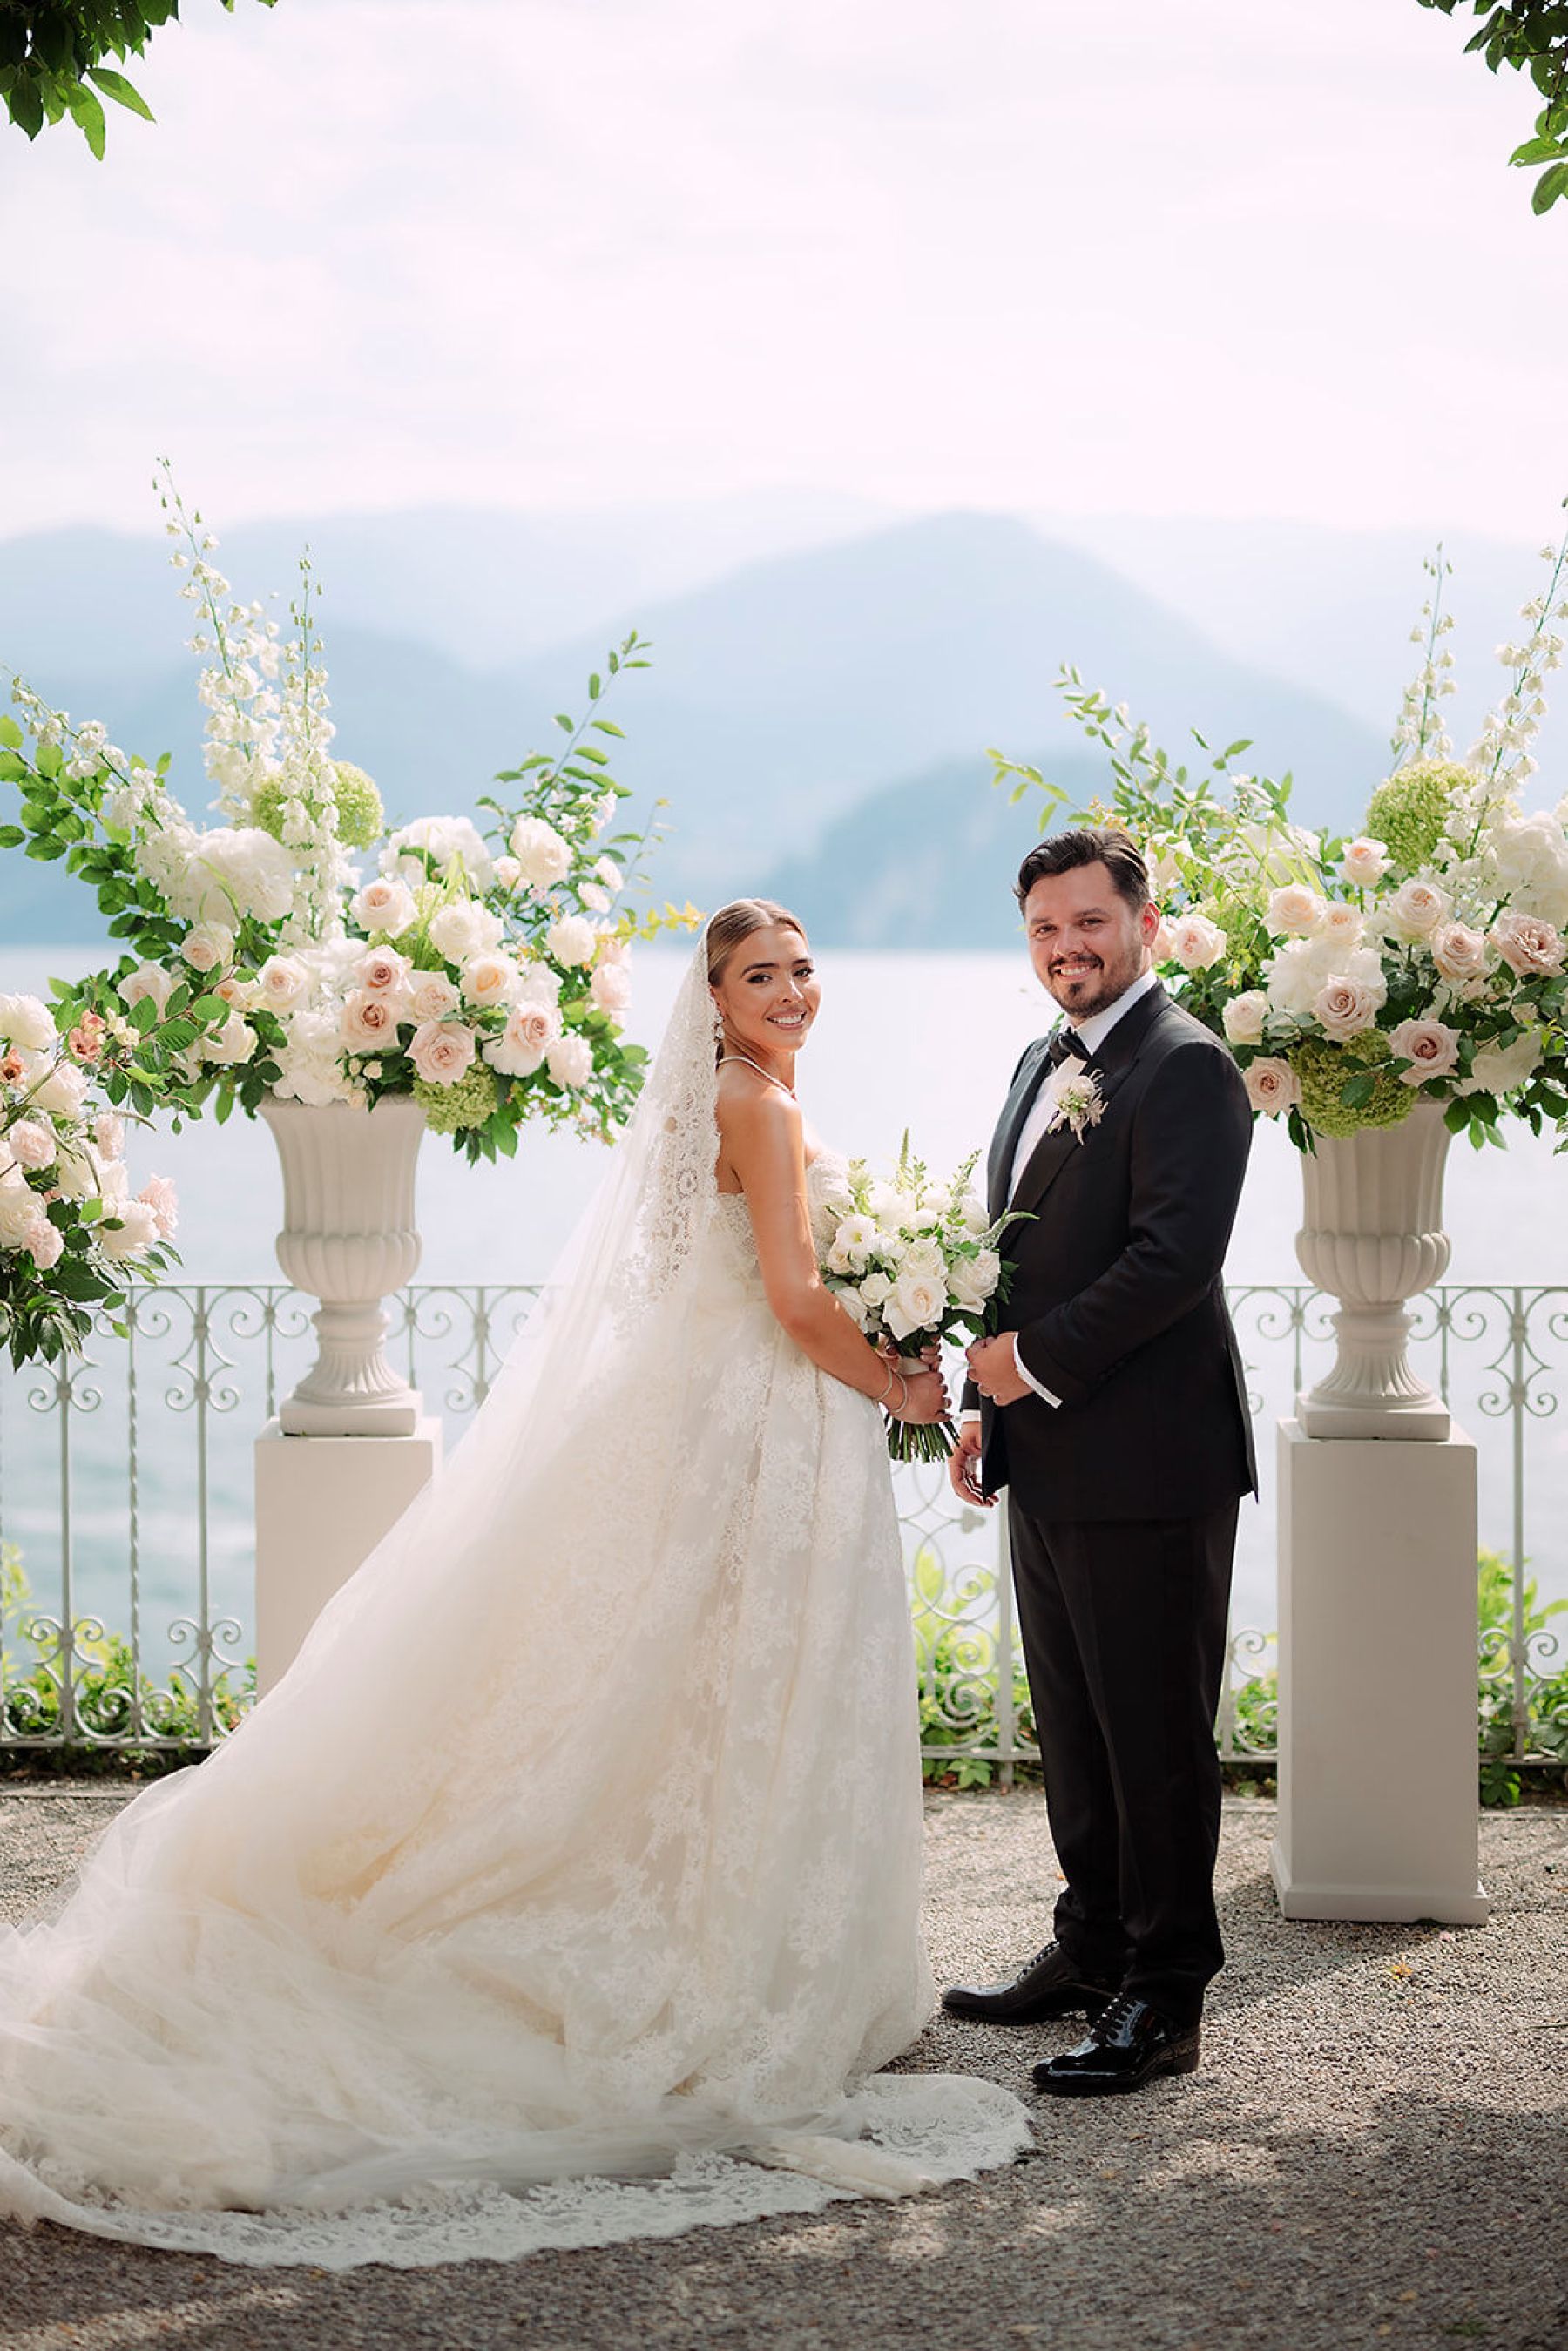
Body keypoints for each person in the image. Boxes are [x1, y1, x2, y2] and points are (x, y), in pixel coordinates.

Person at [0, 902, 1027, 2268]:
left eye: (800, 969)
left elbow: (715, 1274)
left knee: (701, 1684)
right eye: (759, 976)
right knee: (743, 1683)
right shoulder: (761, 1106)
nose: (790, 992)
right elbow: (791, 1300)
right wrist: (899, 1383)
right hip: (766, 1425)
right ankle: (725, 1949)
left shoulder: (726, 1100)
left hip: (725, 1410)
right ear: (715, 999)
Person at [944, 831, 1256, 2097]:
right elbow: (1016, 1253)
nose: (1066, 947)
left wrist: (1029, 1363)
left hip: (1152, 1459)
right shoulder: (1043, 1057)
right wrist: (991, 1404)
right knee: (1077, 1727)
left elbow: (1172, 1262)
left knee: (1155, 1737)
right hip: (1051, 1448)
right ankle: (1092, 1948)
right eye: (1044, 929)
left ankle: (1166, 1994)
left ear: (1144, 922)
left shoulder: (1186, 1064)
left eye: (1089, 922)